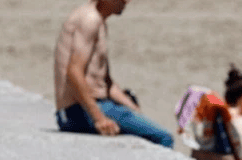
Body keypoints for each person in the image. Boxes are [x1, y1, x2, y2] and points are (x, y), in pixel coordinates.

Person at [53, 0, 174, 148]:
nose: (127, 2)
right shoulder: (89, 20)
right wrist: (99, 119)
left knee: (142, 122)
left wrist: (133, 109)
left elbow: (105, 83)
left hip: (85, 108)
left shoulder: (99, 22)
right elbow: (74, 72)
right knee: (164, 138)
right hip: (78, 111)